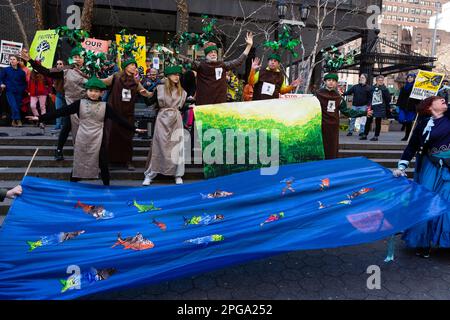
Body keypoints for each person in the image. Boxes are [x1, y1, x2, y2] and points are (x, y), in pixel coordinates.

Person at [27, 77, 146, 186]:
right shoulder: (79, 104)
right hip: (83, 136)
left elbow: (119, 119)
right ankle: (72, 188)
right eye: (91, 90)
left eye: (96, 91)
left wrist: (134, 129)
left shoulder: (106, 106)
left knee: (103, 163)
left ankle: (107, 188)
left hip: (99, 138)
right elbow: (61, 111)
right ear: (87, 91)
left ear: (101, 93)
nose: (93, 93)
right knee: (79, 162)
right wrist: (40, 118)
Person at [393, 96, 450, 258]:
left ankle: (446, 241)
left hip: (449, 169)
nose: (444, 101)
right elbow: (411, 147)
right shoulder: (423, 124)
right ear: (429, 107)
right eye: (440, 100)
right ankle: (423, 242)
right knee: (427, 203)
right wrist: (401, 166)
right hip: (430, 168)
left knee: (447, 202)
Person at [21, 47, 89, 161]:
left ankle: (86, 152)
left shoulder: (91, 69)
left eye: (79, 57)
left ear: (84, 58)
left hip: (87, 103)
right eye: (75, 57)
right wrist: (31, 61)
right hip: (71, 103)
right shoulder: (66, 70)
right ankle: (58, 150)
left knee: (87, 128)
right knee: (67, 126)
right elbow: (47, 72)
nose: (77, 59)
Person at [101, 57, 152, 171]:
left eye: (135, 65)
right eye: (132, 65)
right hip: (114, 112)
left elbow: (145, 93)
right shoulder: (116, 77)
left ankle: (128, 161)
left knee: (127, 138)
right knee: (111, 137)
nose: (134, 66)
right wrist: (92, 79)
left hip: (128, 114)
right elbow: (103, 82)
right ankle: (110, 162)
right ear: (126, 67)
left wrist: (151, 93)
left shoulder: (136, 81)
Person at [142, 65, 187, 186]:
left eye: (178, 75)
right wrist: (144, 93)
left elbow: (183, 106)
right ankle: (150, 175)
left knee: (177, 146)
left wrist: (191, 106)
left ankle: (177, 175)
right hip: (162, 119)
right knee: (158, 146)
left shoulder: (182, 91)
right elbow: (149, 102)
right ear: (168, 76)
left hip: (176, 119)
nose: (177, 77)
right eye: (174, 75)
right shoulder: (159, 88)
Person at [182, 32, 253, 106]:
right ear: (206, 55)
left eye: (215, 52)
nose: (213, 54)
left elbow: (238, 61)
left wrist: (249, 46)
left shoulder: (222, 65)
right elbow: (185, 60)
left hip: (220, 106)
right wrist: (174, 52)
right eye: (210, 52)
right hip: (203, 106)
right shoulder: (200, 66)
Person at [315, 73, 372, 159]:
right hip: (320, 126)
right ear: (325, 82)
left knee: (332, 148)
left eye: (333, 81)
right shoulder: (318, 95)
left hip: (333, 127)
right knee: (320, 148)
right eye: (329, 80)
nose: (331, 82)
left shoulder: (339, 98)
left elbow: (347, 112)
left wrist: (363, 113)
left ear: (336, 83)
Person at [360, 75, 391, 141]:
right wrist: (368, 105)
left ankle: (376, 136)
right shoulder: (372, 88)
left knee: (378, 122)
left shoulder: (385, 89)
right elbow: (369, 97)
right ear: (376, 81)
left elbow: (388, 99)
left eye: (382, 80)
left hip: (380, 107)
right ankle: (365, 135)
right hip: (372, 107)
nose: (381, 82)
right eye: (379, 80)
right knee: (368, 121)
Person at [0, 55, 27, 127]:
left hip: (19, 92)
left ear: (17, 61)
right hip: (9, 91)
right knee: (14, 106)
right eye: (11, 59)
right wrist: (2, 84)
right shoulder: (6, 70)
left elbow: (24, 83)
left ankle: (13, 120)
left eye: (14, 59)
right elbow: (0, 78)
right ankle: (18, 120)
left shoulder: (22, 72)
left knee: (17, 106)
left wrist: (22, 89)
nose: (12, 60)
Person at [397, 73, 420, 141]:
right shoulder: (403, 87)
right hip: (403, 106)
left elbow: (418, 99)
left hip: (411, 107)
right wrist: (397, 105)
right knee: (401, 119)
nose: (409, 79)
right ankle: (404, 125)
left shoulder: (416, 88)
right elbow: (400, 97)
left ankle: (407, 136)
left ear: (414, 79)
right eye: (408, 77)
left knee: (409, 122)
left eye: (411, 77)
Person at [52, 60, 65, 131]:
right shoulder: (54, 73)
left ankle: (64, 126)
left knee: (66, 111)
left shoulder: (67, 72)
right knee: (58, 110)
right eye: (57, 64)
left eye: (60, 64)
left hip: (67, 94)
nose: (59, 65)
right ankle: (58, 125)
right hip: (59, 94)